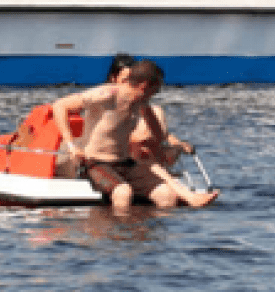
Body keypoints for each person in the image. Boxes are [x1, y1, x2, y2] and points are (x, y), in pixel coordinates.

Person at [50, 60, 219, 210]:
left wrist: (163, 142)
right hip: (95, 163)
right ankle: (117, 240)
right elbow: (60, 105)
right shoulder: (109, 94)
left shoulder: (141, 103)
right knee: (123, 192)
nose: (158, 92)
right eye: (157, 88)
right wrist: (71, 145)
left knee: (166, 194)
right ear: (144, 86)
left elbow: (158, 135)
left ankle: (150, 240)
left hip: (125, 163)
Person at [99, 52, 193, 169]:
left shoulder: (145, 107)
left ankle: (157, 169)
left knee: (157, 113)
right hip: (115, 154)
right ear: (113, 79)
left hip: (143, 153)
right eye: (125, 80)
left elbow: (163, 135)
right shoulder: (102, 102)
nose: (129, 85)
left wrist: (178, 144)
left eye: (132, 80)